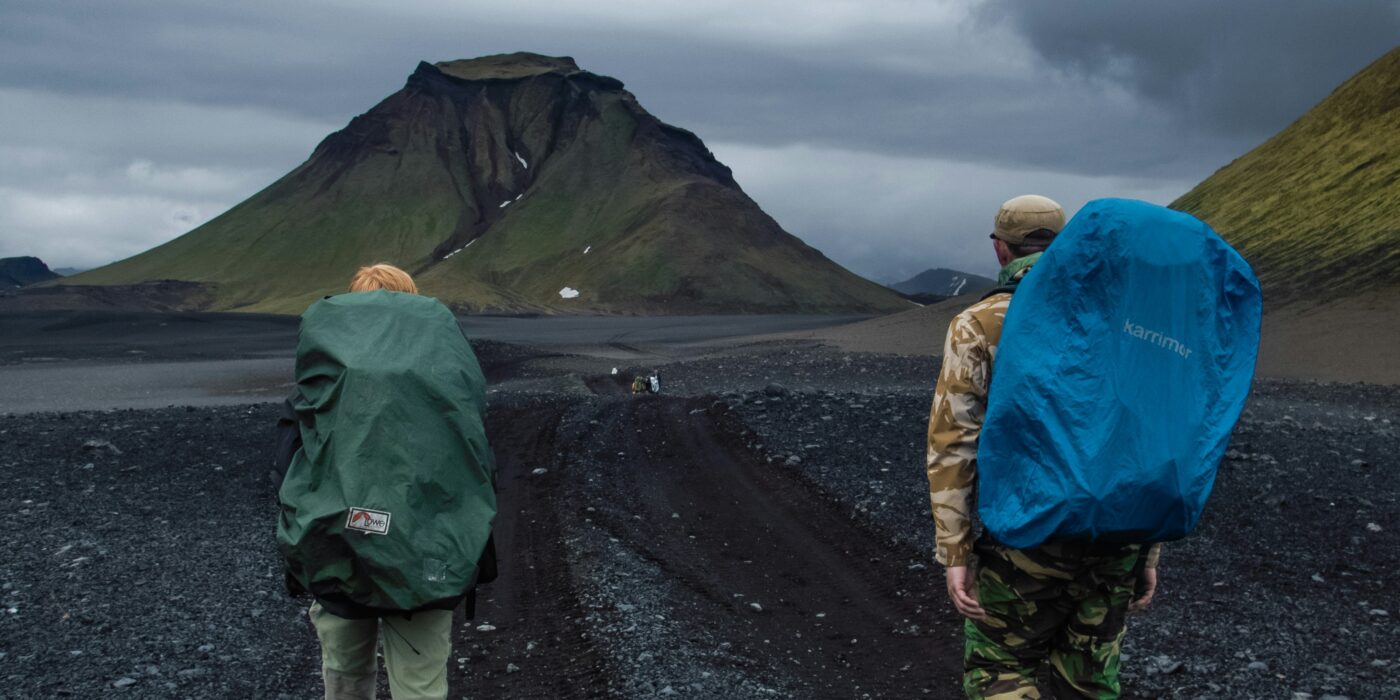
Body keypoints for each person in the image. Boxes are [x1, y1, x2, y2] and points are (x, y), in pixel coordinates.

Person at [925, 195, 1161, 699]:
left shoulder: (979, 324)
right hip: (1118, 531)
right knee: (1091, 680)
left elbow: (953, 442)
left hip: (1028, 534)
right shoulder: (1126, 322)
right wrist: (1150, 550)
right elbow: (1150, 434)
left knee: (1000, 668)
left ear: (1000, 251)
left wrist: (956, 551)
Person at [275, 263, 496, 700]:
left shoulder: (318, 390)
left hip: (335, 550)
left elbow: (286, 470)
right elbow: (478, 470)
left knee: (345, 680)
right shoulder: (451, 385)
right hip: (427, 560)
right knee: (420, 688)